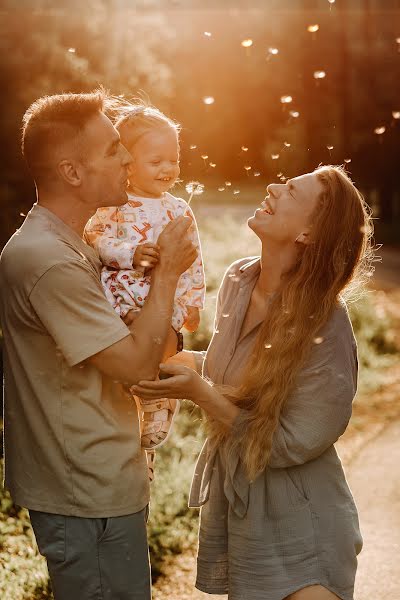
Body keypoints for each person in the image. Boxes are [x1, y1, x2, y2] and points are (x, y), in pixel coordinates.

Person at [132, 165, 370, 600]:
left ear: (308, 234)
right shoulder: (239, 280)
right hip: (247, 523)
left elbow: (292, 442)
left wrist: (200, 391)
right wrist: (189, 363)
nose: (273, 186)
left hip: (306, 530)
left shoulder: (327, 323)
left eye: (292, 191)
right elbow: (240, 369)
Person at [0, 90, 197, 600]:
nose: (129, 157)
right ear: (71, 172)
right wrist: (170, 274)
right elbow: (136, 365)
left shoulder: (74, 246)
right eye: (113, 149)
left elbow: (154, 344)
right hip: (85, 490)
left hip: (100, 480)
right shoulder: (50, 261)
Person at [84, 102, 205, 457]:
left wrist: (194, 302)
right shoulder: (113, 204)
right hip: (121, 302)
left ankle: (156, 414)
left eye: (174, 159)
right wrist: (128, 254)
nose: (168, 168)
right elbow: (94, 237)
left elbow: (193, 257)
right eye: (157, 161)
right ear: (127, 162)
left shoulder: (179, 208)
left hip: (163, 304)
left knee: (160, 362)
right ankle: (126, 428)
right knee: (125, 371)